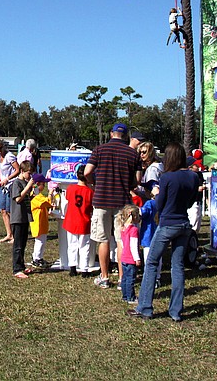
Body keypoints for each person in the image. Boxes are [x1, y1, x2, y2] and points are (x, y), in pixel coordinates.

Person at [129, 142, 198, 322]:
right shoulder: (193, 177)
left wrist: (157, 193)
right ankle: (175, 311)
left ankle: (145, 307)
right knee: (178, 267)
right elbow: (190, 202)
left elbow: (159, 205)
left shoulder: (167, 178)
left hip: (167, 224)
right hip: (184, 224)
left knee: (151, 262)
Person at [83, 123, 139, 289]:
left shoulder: (99, 150)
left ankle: (105, 276)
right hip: (122, 202)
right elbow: (136, 181)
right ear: (126, 136)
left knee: (103, 239)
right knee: (122, 241)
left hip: (101, 200)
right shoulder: (132, 153)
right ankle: (123, 278)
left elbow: (87, 172)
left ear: (111, 133)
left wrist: (95, 184)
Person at [62, 164, 94, 276]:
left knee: (72, 245)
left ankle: (73, 268)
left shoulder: (71, 188)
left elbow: (67, 199)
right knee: (84, 246)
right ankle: (84, 269)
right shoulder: (90, 192)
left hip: (71, 220)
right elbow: (91, 208)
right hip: (84, 221)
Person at [9, 161, 35, 279]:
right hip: (17, 217)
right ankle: (17, 269)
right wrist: (28, 186)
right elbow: (18, 198)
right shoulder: (17, 183)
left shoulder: (24, 182)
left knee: (23, 243)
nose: (29, 176)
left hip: (25, 216)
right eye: (28, 173)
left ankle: (22, 265)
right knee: (18, 244)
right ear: (22, 171)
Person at [0, 139, 18, 243]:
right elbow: (3, 171)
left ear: (4, 147)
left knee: (10, 211)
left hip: (11, 185)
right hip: (2, 186)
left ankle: (16, 235)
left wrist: (7, 179)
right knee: (3, 210)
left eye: (0, 148)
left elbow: (17, 170)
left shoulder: (10, 156)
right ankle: (9, 234)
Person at [117, 204, 142, 304]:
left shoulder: (123, 229)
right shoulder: (134, 230)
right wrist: (137, 258)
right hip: (131, 259)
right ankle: (131, 297)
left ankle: (125, 295)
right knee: (131, 279)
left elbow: (123, 244)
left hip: (124, 257)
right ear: (134, 217)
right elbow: (133, 245)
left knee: (124, 278)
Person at [29, 173, 53, 269]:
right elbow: (46, 202)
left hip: (42, 222)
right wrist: (51, 194)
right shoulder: (34, 196)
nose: (45, 186)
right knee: (40, 241)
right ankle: (37, 259)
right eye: (43, 184)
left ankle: (38, 257)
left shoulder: (38, 195)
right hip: (37, 223)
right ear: (38, 184)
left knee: (41, 240)